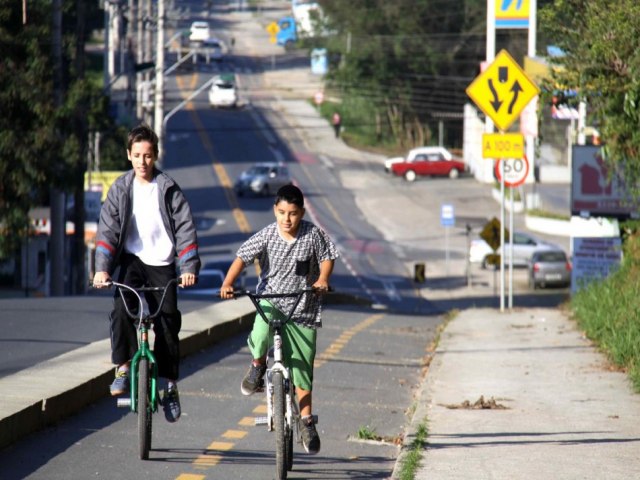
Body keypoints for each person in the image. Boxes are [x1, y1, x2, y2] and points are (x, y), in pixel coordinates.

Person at [93, 124, 200, 423]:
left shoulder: (168, 188)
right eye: (137, 155)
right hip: (131, 261)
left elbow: (185, 229)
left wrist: (188, 268)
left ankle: (169, 385)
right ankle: (123, 368)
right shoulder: (120, 188)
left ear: (155, 156)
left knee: (168, 321)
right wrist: (102, 270)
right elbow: (107, 231)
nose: (143, 161)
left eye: (148, 155)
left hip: (162, 263)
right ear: (129, 155)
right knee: (120, 310)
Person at [220, 184, 338, 454]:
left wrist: (322, 279)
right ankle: (258, 365)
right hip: (271, 302)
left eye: (293, 213)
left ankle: (307, 421)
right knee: (260, 334)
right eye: (282, 212)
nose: (287, 219)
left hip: (303, 306)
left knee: (302, 367)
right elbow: (242, 257)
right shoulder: (267, 235)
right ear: (275, 210)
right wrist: (228, 282)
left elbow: (328, 257)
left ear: (302, 212)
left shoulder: (313, 235)